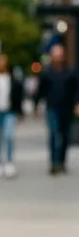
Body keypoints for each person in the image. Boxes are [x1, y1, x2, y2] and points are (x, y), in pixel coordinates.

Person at [38, 44, 79, 174]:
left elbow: (76, 90)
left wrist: (77, 104)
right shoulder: (47, 73)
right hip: (52, 107)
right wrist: (37, 105)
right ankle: (54, 163)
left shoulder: (70, 72)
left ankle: (61, 161)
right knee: (54, 135)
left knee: (65, 136)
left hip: (66, 108)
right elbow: (41, 91)